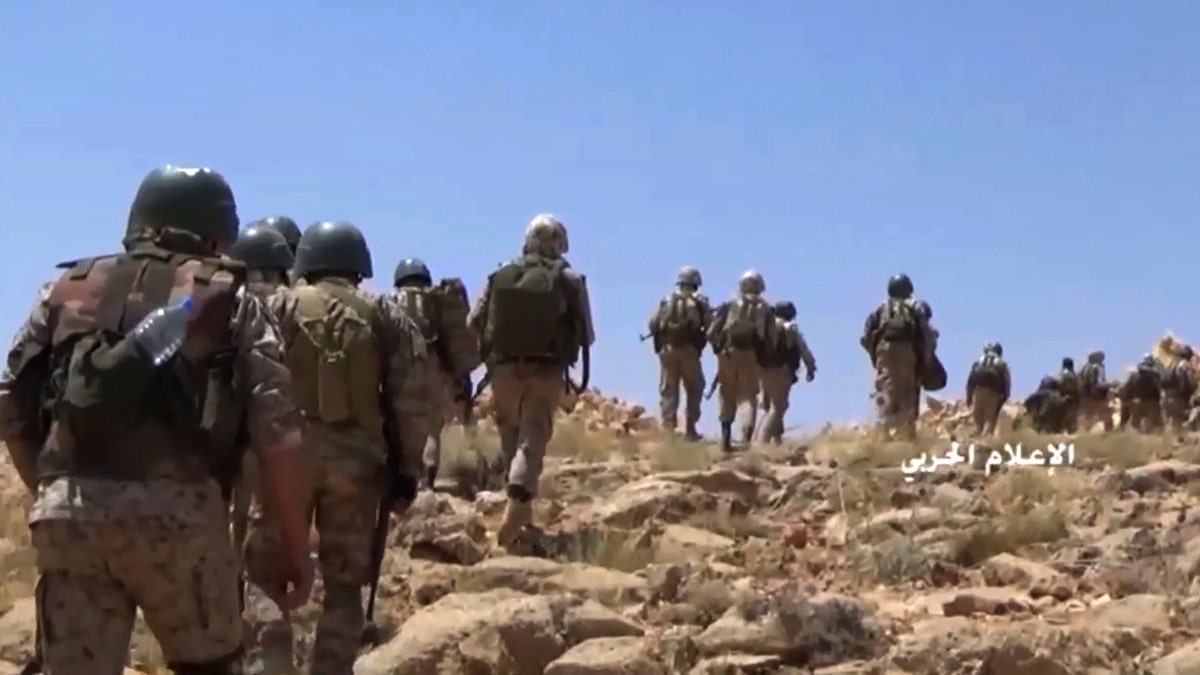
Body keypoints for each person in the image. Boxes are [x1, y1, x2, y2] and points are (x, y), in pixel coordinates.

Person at [0, 166, 313, 675]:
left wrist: (50, 490)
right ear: (218, 232)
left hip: (69, 516)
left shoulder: (65, 289)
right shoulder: (233, 300)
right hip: (182, 518)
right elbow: (279, 435)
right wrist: (295, 546)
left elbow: (10, 404)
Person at [242, 221, 430, 674]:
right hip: (357, 467)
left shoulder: (277, 306)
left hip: (284, 459)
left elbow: (245, 375)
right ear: (359, 265)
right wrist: (406, 468)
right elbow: (413, 398)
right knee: (345, 588)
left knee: (262, 577)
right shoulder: (384, 314)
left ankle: (271, 662)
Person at [468, 214, 594, 548]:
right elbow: (588, 335)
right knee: (533, 437)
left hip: (504, 369)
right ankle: (519, 503)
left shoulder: (501, 274)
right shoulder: (569, 278)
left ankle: (519, 509)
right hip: (546, 371)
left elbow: (474, 321)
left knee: (511, 435)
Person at [227, 224, 297, 605]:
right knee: (263, 533)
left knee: (234, 529)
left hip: (224, 441)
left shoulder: (224, 300)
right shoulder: (294, 301)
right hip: (274, 433)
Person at [389, 257, 479, 489]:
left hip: (400, 366)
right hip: (434, 365)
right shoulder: (436, 299)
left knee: (398, 423)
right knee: (432, 427)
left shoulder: (390, 301)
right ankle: (427, 479)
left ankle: (401, 479)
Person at [707, 270, 777, 452]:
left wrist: (718, 350)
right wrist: (764, 359)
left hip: (727, 354)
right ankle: (746, 439)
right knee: (748, 397)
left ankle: (725, 437)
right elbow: (772, 339)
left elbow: (711, 333)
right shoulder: (767, 309)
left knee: (727, 394)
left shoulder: (729, 305)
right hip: (751, 355)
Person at [860, 274, 931, 440]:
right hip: (907, 351)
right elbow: (925, 334)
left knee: (885, 391)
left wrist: (876, 355)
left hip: (884, 351)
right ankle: (907, 437)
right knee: (907, 392)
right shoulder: (914, 306)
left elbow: (864, 338)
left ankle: (882, 436)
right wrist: (925, 358)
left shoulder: (881, 308)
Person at [647, 266, 711, 441]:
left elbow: (652, 324)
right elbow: (709, 325)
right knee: (695, 388)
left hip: (667, 351)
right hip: (689, 351)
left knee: (669, 389)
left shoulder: (666, 301)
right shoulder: (700, 302)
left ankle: (668, 430)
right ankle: (690, 429)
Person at [758, 300, 816, 444]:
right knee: (778, 407)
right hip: (782, 370)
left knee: (769, 407)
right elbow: (803, 349)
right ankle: (761, 443)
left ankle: (776, 440)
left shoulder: (766, 326)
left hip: (763, 369)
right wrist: (811, 367)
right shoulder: (791, 328)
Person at [965, 343, 1010, 436]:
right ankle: (984, 443)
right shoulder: (1001, 363)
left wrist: (969, 397)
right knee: (989, 419)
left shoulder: (979, 362)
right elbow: (1006, 382)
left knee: (978, 419)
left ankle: (975, 441)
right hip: (993, 393)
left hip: (978, 390)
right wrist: (1004, 398)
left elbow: (970, 380)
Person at [1077, 350, 1113, 431]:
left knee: (1088, 417)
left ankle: (1084, 433)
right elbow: (1099, 382)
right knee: (1106, 415)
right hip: (1097, 396)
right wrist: (1110, 385)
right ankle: (1110, 434)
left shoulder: (1084, 368)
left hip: (1085, 397)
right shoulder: (1098, 367)